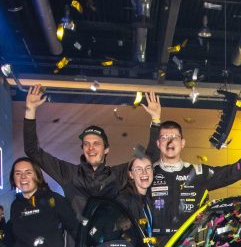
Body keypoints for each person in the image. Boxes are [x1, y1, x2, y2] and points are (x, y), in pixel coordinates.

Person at [23, 85, 162, 217]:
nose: (91, 148)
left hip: (112, 235)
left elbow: (149, 158)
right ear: (83, 149)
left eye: (96, 144)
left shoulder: (118, 175)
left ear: (106, 149)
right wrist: (30, 111)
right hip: (78, 235)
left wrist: (156, 120)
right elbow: (32, 151)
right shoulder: (69, 174)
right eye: (86, 144)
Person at [149, 120, 241, 246]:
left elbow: (234, 172)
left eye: (175, 137)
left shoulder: (198, 173)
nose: (170, 142)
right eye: (164, 137)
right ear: (158, 143)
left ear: (182, 143)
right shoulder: (146, 175)